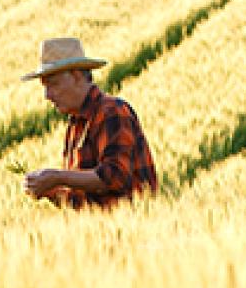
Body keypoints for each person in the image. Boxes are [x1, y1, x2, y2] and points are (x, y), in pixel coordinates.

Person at [20, 37, 157, 209]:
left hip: (132, 229)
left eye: (53, 84)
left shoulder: (112, 112)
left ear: (77, 76)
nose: (47, 95)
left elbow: (114, 177)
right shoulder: (75, 124)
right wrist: (48, 190)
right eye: (45, 87)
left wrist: (58, 177)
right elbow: (84, 202)